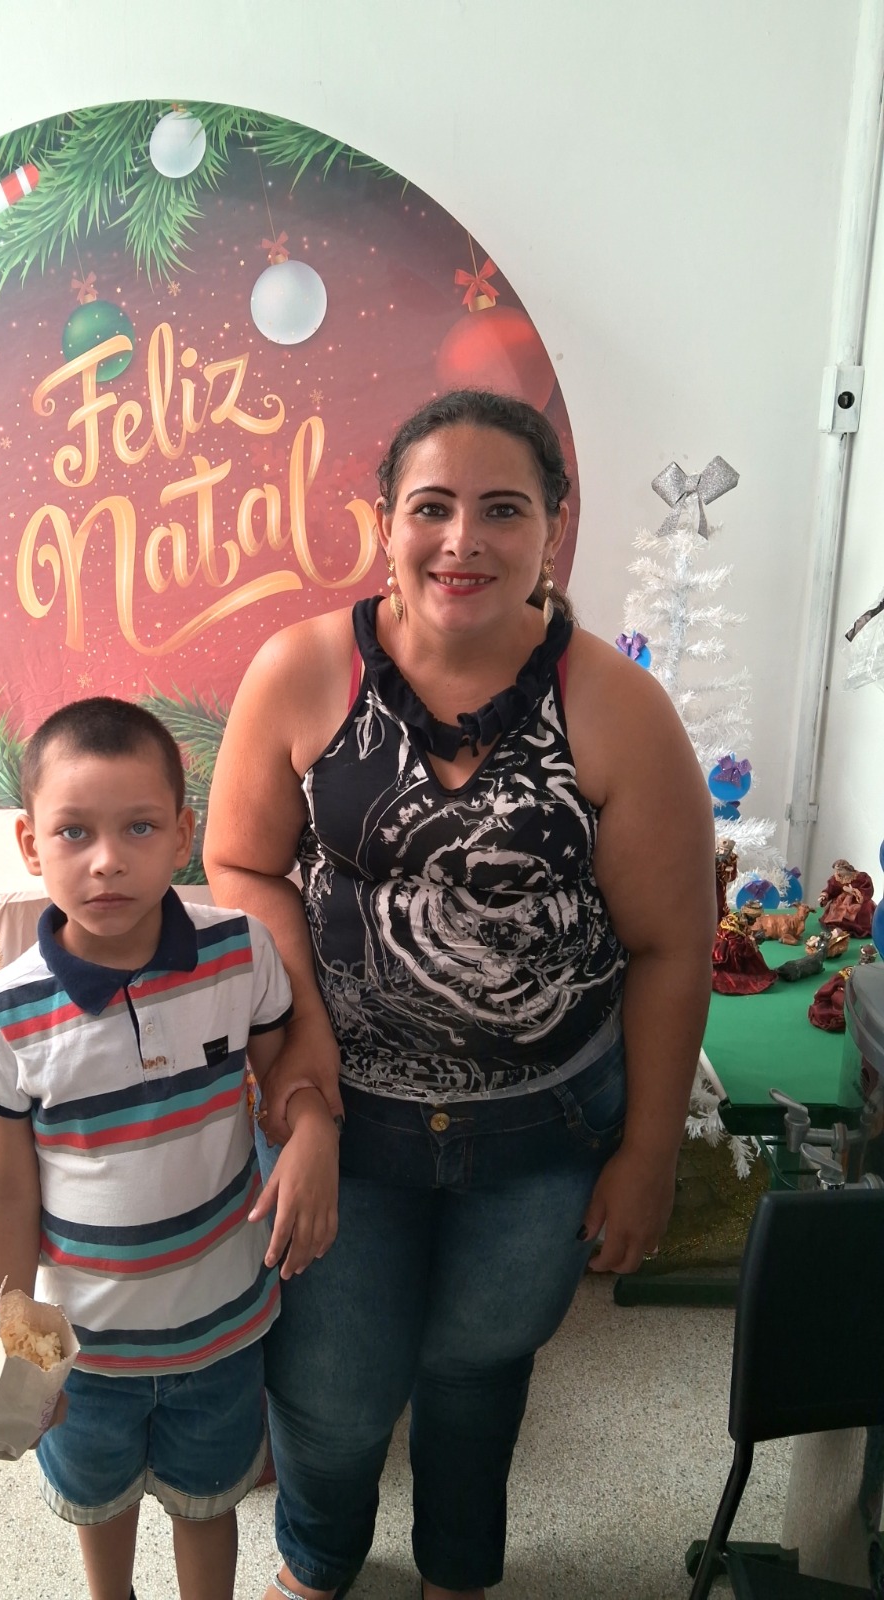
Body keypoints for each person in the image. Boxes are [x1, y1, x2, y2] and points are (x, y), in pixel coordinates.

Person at [202, 390, 715, 1600]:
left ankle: (459, 1572)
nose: (462, 541)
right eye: (431, 507)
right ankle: (319, 1562)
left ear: (554, 526)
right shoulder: (303, 671)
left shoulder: (616, 707)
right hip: (342, 1124)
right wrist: (303, 1063)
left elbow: (672, 944)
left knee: (479, 1367)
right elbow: (241, 864)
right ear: (384, 521)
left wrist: (649, 1153)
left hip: (544, 1131)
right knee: (332, 1384)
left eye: (503, 510)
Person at [0, 698, 339, 1600]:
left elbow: (281, 1075)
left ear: (182, 836)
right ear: (30, 843)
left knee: (209, 1503)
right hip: (84, 1350)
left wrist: (314, 1125)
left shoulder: (240, 952)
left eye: (139, 827)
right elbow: (4, 1196)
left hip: (223, 1329)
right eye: (73, 832)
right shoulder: (4, 1018)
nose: (107, 859)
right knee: (100, 1503)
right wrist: (9, 1346)